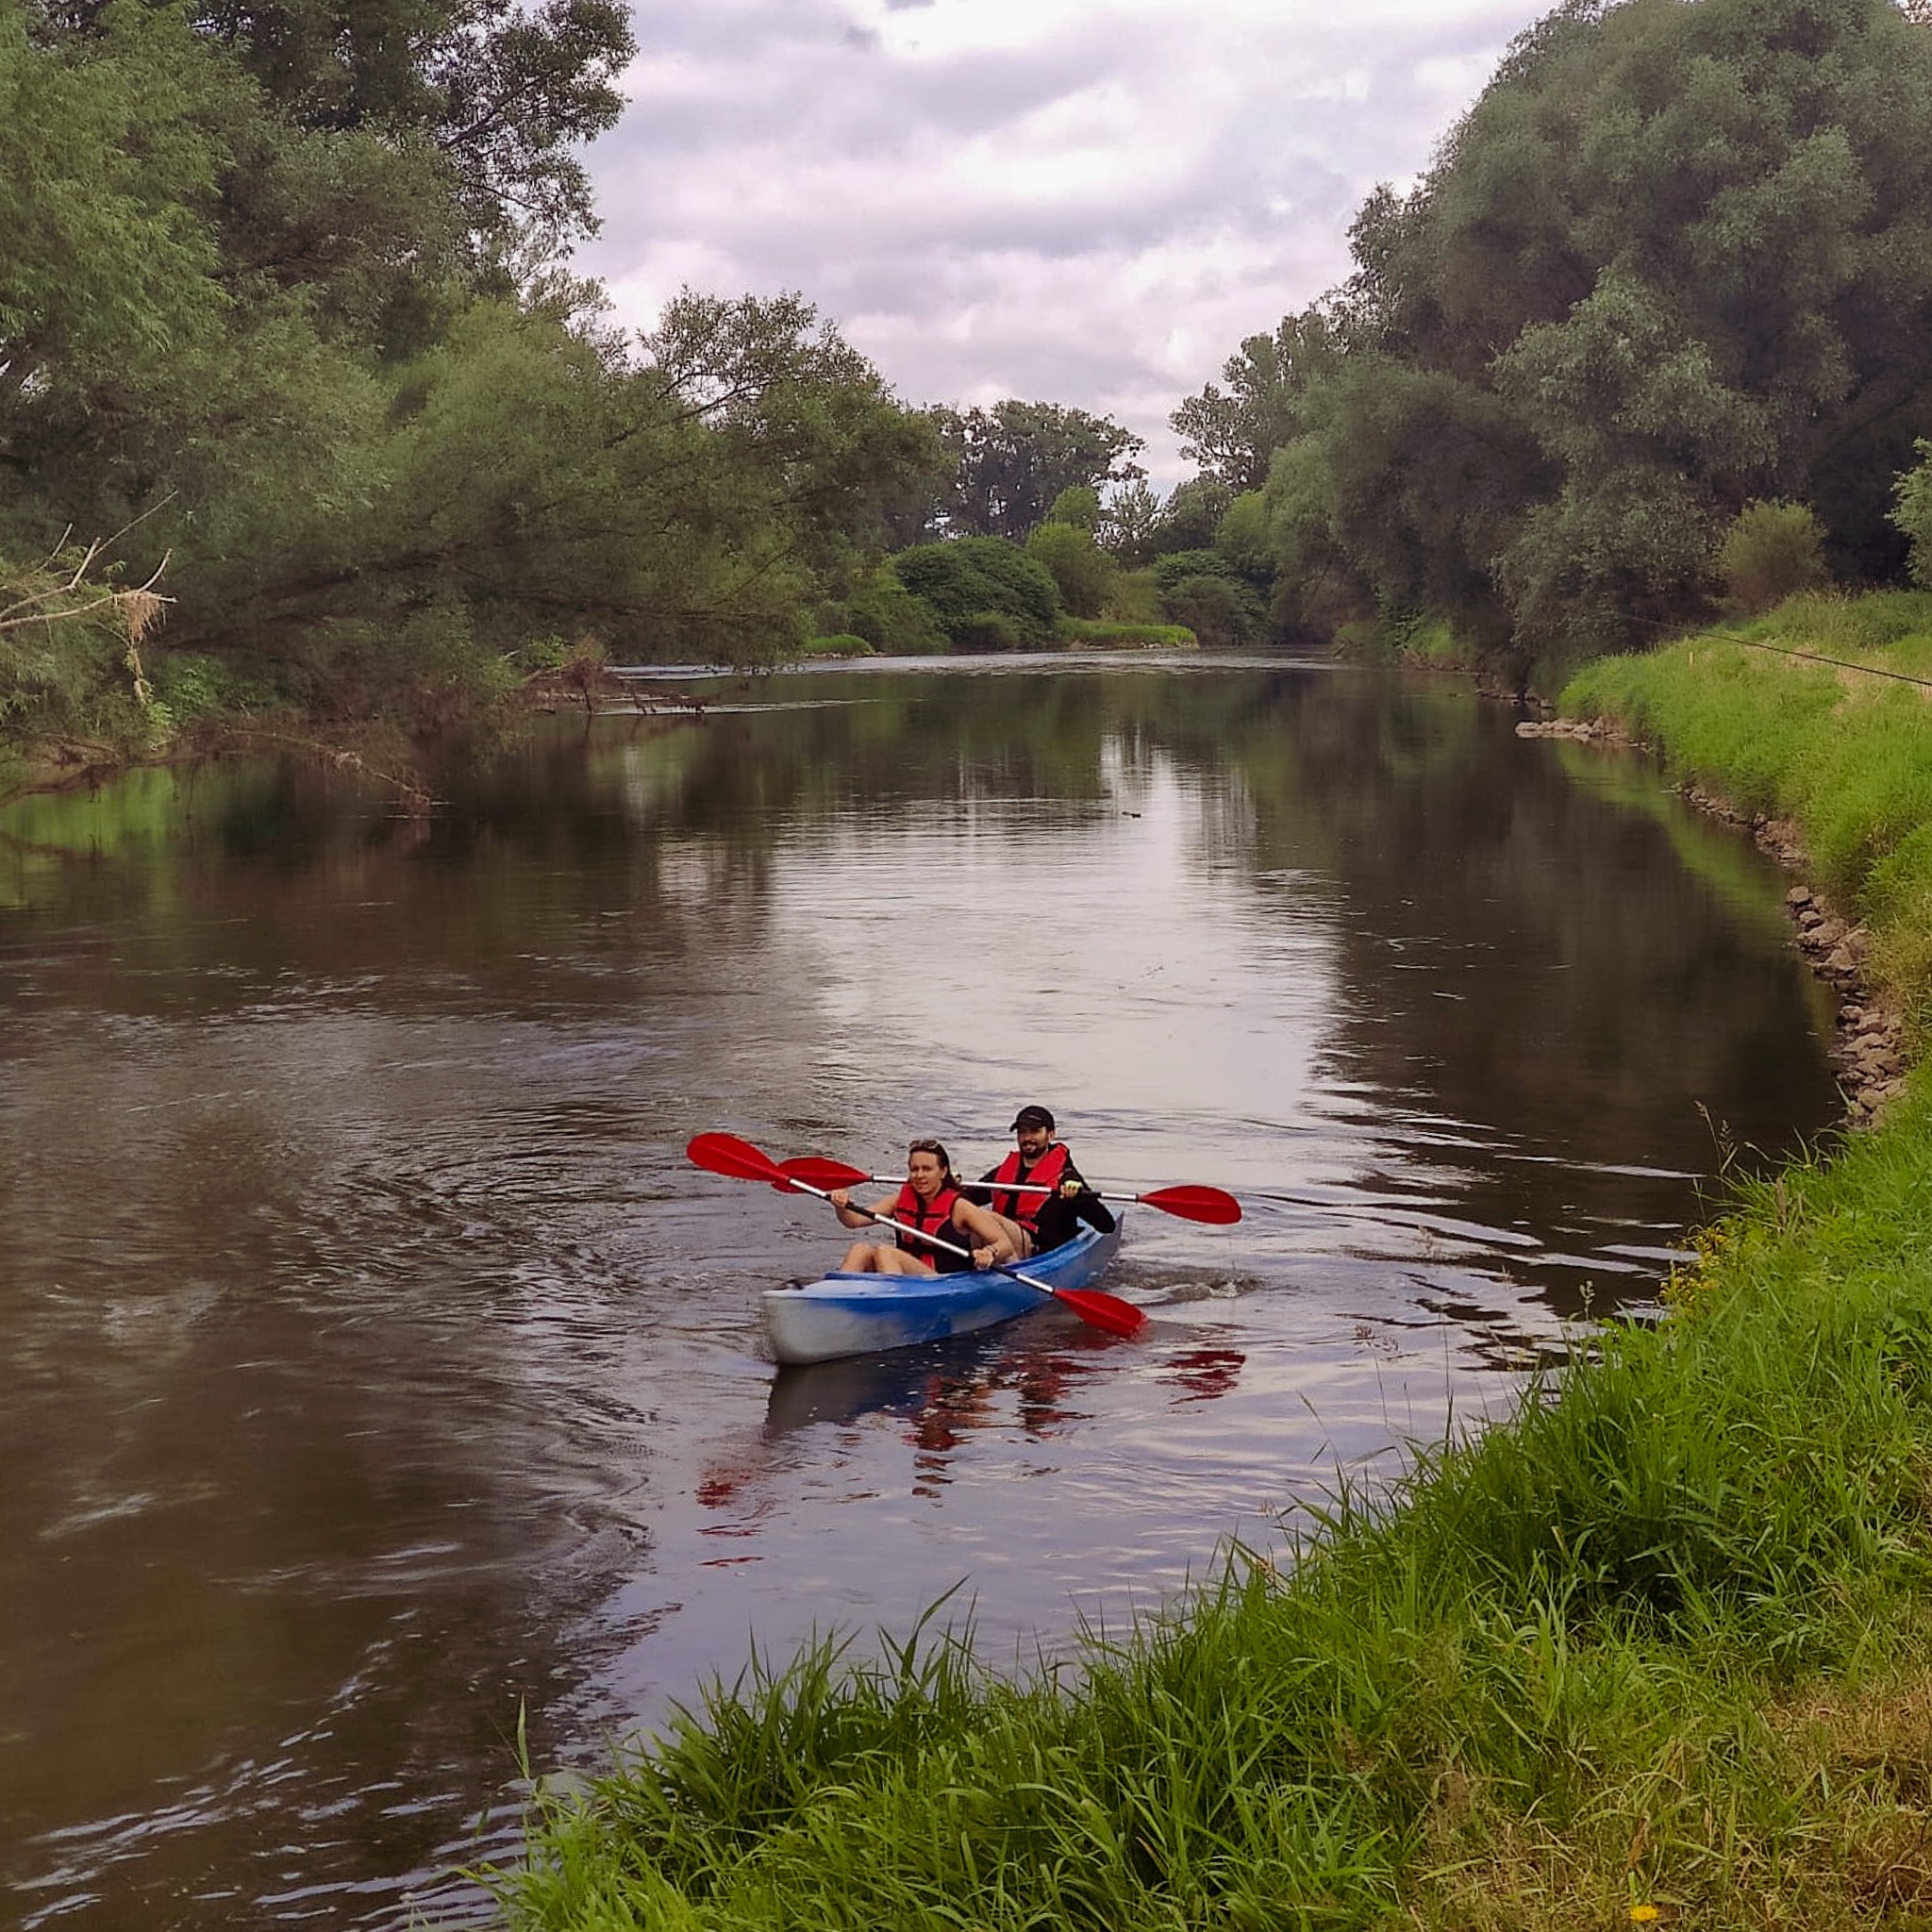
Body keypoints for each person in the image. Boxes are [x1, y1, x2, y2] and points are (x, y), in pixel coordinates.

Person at [828, 1138, 1018, 1275]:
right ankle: (835, 1303)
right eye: (914, 1169)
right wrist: (841, 1205)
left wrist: (988, 1252)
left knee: (885, 1252)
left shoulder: (960, 1207)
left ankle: (891, 1310)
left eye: (927, 1169)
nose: (919, 1175)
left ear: (943, 1172)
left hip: (942, 1283)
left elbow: (1005, 1245)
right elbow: (853, 1221)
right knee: (860, 1250)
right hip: (908, 1276)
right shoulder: (898, 1201)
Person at [968, 1105, 1116, 1258]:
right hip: (1001, 1248)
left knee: (984, 1217)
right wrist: (949, 1183)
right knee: (970, 1216)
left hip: (1038, 1250)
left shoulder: (1066, 1177)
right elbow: (965, 1199)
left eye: (1034, 1131)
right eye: (1022, 1132)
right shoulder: (1003, 1171)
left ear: (1050, 1135)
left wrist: (1079, 1197)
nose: (1027, 1138)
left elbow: (1106, 1225)